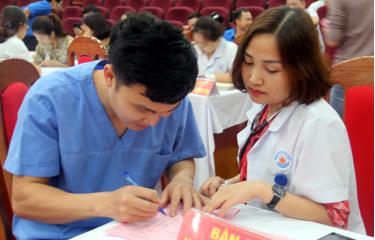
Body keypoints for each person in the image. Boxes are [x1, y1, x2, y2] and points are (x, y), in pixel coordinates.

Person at [4, 13, 206, 239]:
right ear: (110, 76)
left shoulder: (171, 99)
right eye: (143, 109)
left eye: (167, 113)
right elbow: (24, 199)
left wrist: (182, 180)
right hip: (59, 233)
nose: (154, 122)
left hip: (136, 230)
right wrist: (105, 204)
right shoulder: (51, 98)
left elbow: (181, 156)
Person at [200, 6, 365, 234]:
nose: (254, 78)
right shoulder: (265, 107)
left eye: (271, 69)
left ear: (301, 69)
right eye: (248, 62)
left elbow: (333, 217)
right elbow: (268, 170)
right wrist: (232, 185)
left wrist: (261, 190)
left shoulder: (319, 123)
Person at [325, 0, 374, 117]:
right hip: (371, 69)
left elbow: (332, 39)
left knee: (339, 130)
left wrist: (326, 26)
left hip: (347, 73)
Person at [192, 15, 238, 83]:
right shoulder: (196, 48)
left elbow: (235, 77)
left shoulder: (231, 50)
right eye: (197, 43)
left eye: (204, 44)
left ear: (217, 39)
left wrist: (206, 77)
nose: (200, 48)